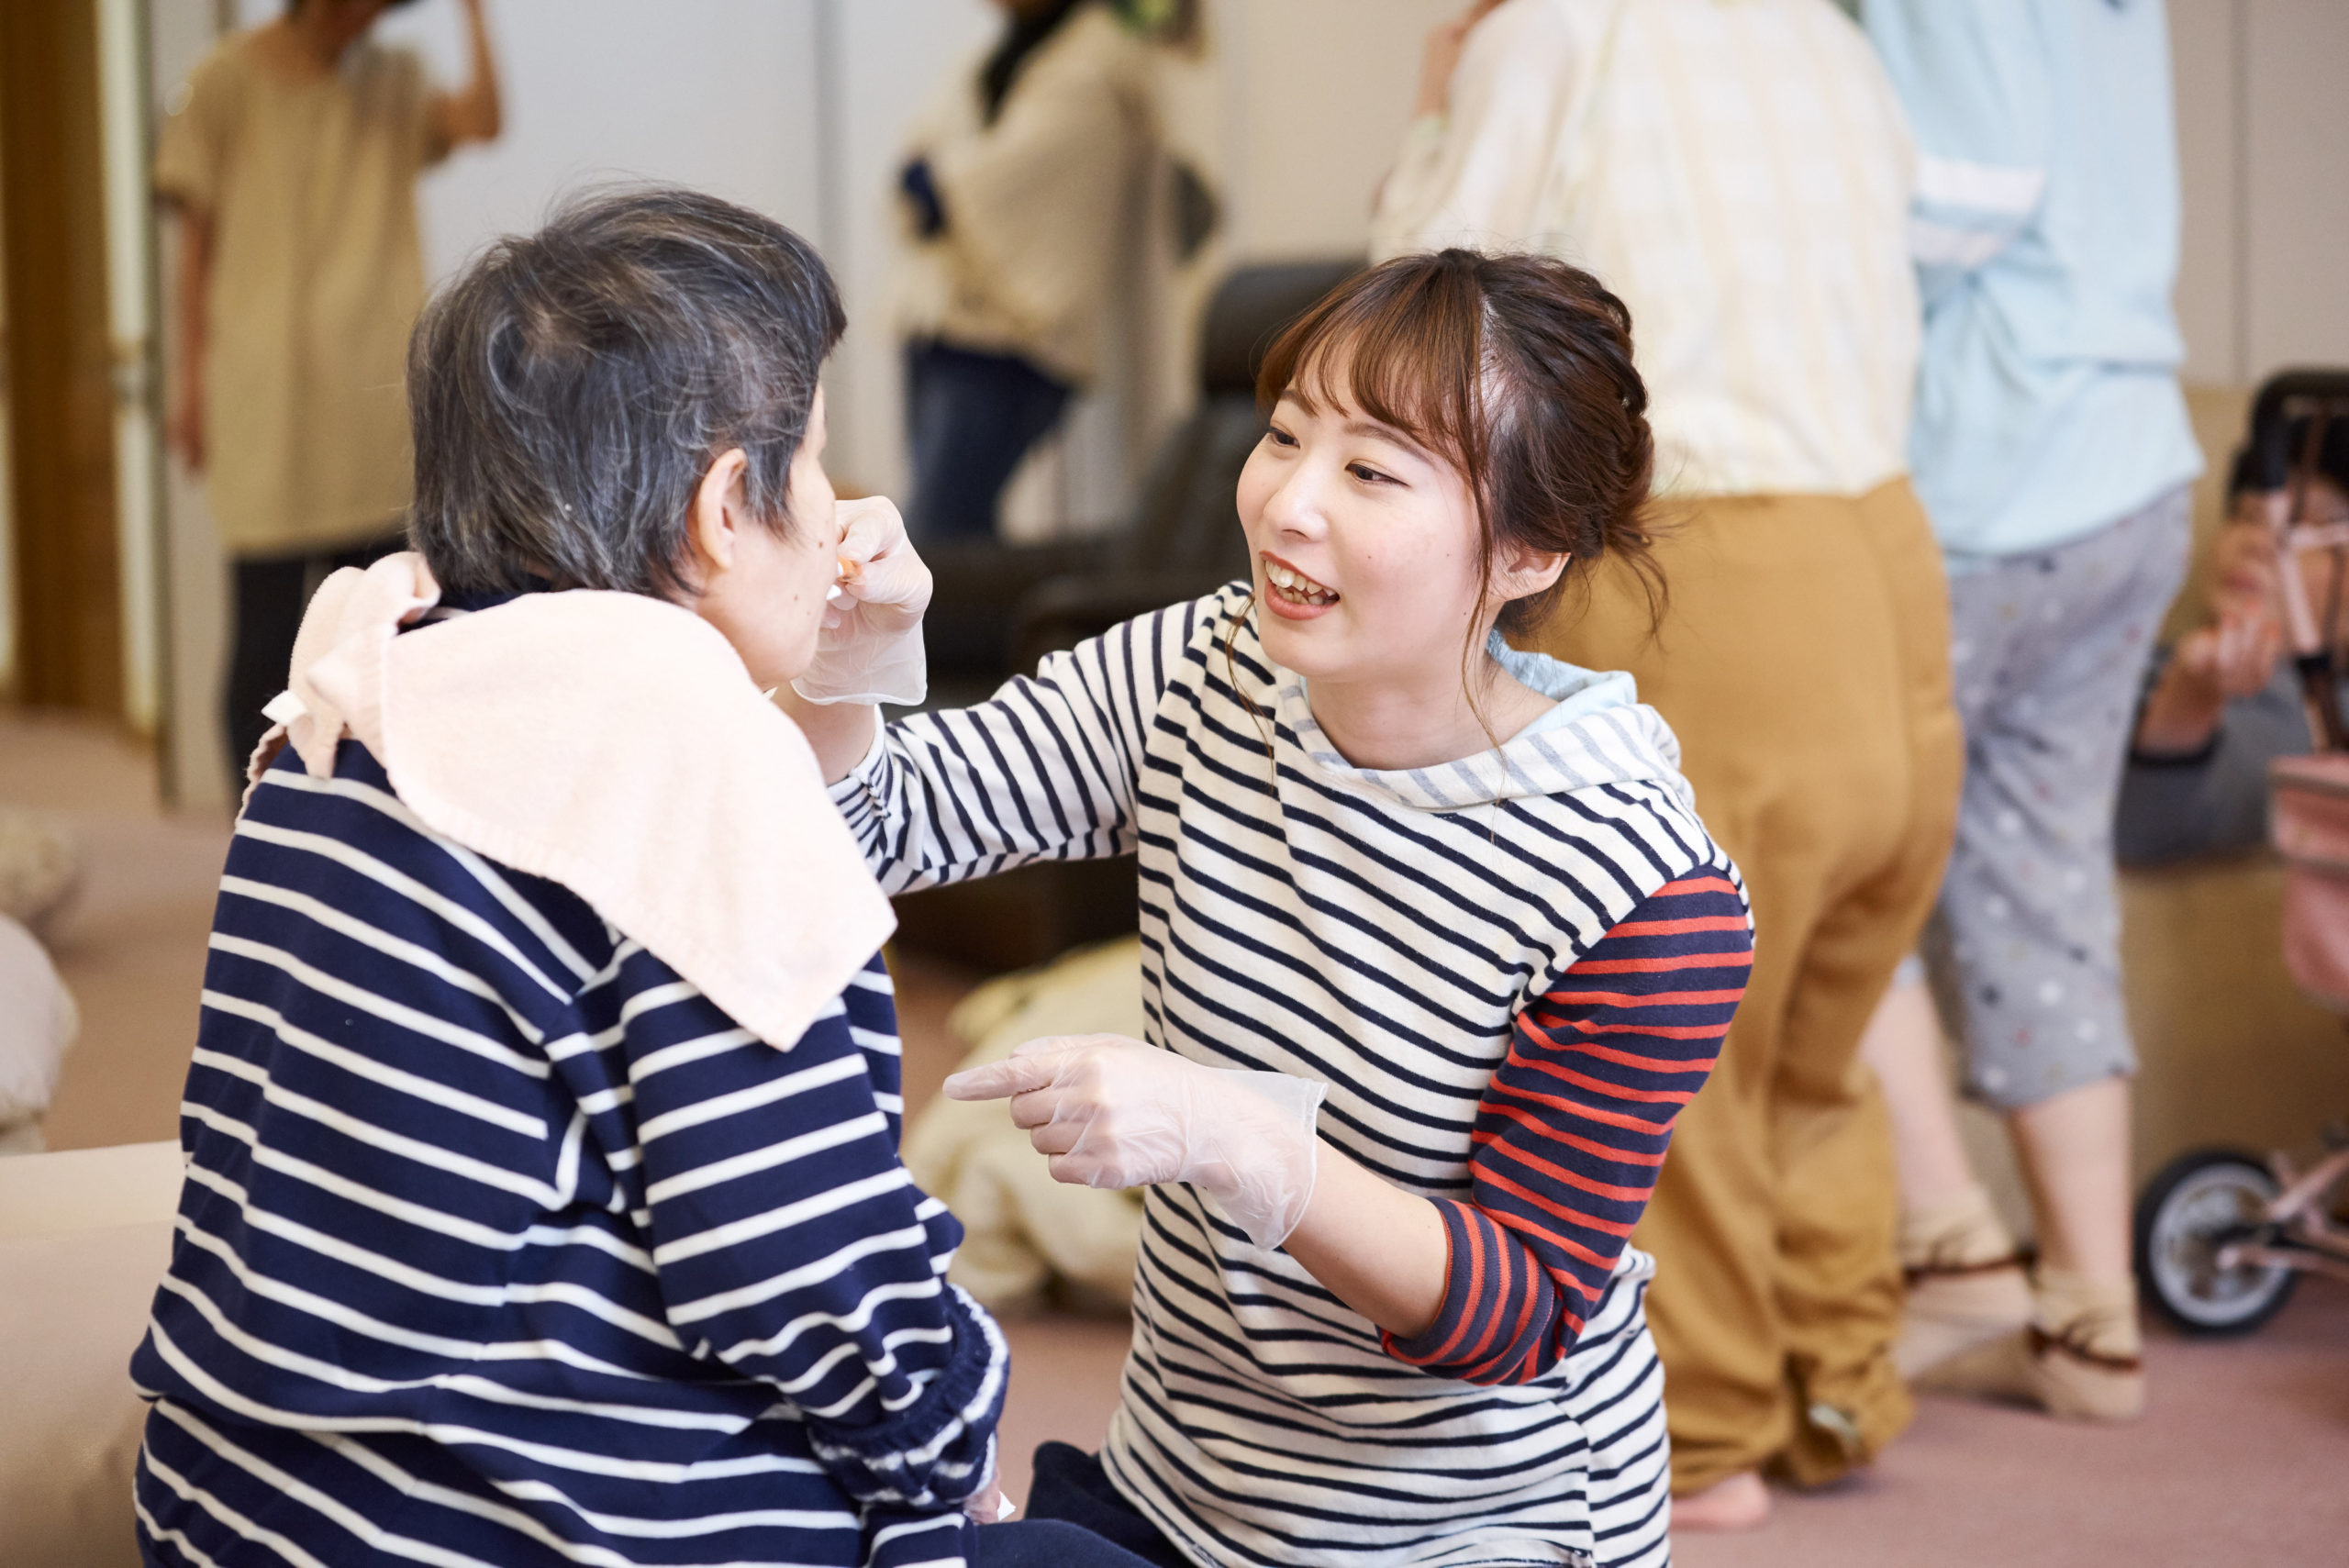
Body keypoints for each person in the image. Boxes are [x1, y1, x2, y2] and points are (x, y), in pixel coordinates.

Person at [128, 189, 1154, 1568]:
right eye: (817, 471)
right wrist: (956, 1444)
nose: (843, 514)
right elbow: (810, 1275)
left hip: (230, 1513)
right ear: (728, 504)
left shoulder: (358, 691)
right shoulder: (687, 767)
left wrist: (818, 658)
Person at [786, 250, 1751, 1568]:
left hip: (1468, 1534)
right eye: (1286, 433)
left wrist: (1241, 1143)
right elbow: (871, 834)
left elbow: (1514, 1311)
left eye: (1372, 471)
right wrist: (851, 643)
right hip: (1179, 1484)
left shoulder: (1642, 885)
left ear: (1527, 548)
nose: (1288, 503)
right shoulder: (1204, 669)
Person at [1368, 0, 1954, 1525]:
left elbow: (1420, 311)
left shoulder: (1558, 33)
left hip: (1712, 555)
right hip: (1885, 548)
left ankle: (1703, 1428)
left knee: (1657, 1026)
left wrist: (1437, 104)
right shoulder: (1823, 33)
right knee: (1819, 1021)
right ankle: (1835, 1367)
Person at [1857, 0, 2206, 1424]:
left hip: (1986, 470)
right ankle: (2089, 1310)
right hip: (2132, 465)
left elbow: (1968, 189)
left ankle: (1949, 1243)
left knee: (1837, 868)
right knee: (2045, 886)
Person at [154, 0, 501, 791]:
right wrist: (189, 385)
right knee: (267, 629)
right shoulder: (221, 86)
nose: (364, 24)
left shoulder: (393, 78)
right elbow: (194, 258)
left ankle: (374, 818)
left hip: (372, 392)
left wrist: (475, 12)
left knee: (388, 630)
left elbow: (483, 118)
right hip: (264, 394)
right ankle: (256, 816)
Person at [895, 0, 1160, 539]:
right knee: (955, 530)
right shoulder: (997, 55)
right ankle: (977, 628)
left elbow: (980, 186)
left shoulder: (1095, 68)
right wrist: (941, 182)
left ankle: (955, 628)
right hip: (940, 324)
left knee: (939, 535)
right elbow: (916, 165)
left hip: (1013, 342)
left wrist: (946, 186)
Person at [2119, 428, 2349, 866]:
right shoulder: (2119, 663)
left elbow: (2145, 833)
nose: (2259, 543)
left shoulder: (2326, 716)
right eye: (2245, 516)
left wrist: (2190, 703)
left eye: (2306, 528)